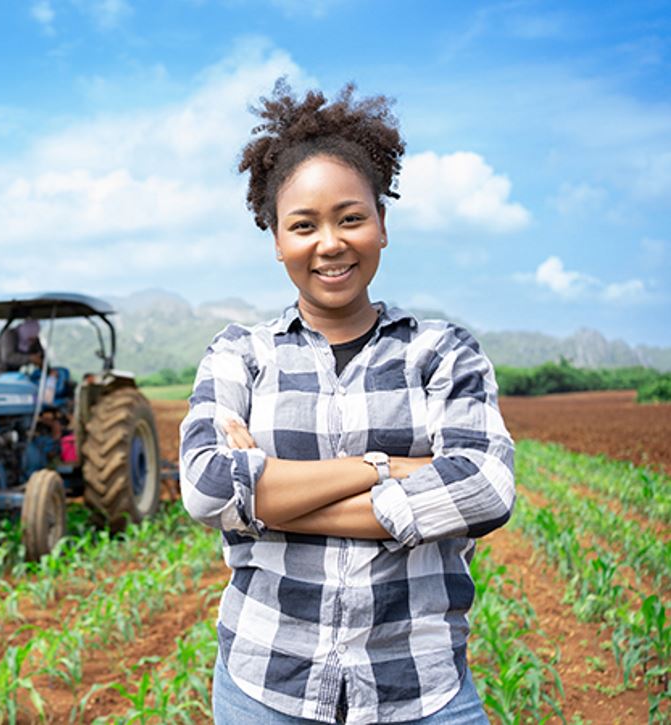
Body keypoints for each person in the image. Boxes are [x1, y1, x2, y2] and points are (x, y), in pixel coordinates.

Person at [179, 79, 515, 724]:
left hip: (419, 687)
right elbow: (207, 489)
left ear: (381, 226)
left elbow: (484, 489)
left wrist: (270, 501)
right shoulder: (239, 354)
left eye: (350, 218)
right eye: (303, 225)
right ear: (277, 240)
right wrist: (385, 466)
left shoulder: (443, 353)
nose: (328, 243)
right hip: (265, 683)